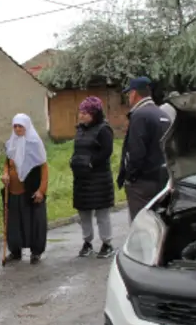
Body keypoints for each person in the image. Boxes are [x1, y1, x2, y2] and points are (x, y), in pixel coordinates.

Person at [117, 77, 171, 221]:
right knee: (158, 222)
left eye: (129, 94)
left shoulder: (139, 116)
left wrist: (130, 177)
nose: (129, 97)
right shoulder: (163, 115)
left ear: (134, 93)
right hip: (161, 179)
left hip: (141, 183)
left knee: (141, 224)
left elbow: (135, 151)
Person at [70, 97, 115, 259]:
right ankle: (87, 242)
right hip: (82, 179)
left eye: (85, 113)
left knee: (102, 213)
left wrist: (91, 163)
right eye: (80, 112)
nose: (81, 116)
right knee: (84, 213)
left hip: (99, 179)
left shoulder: (104, 130)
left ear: (94, 114)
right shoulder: (80, 129)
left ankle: (107, 243)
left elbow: (106, 152)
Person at [1, 114, 49, 264]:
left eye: (20, 126)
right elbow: (7, 164)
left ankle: (36, 252)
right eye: (15, 126)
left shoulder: (35, 144)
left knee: (34, 222)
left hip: (30, 190)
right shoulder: (11, 143)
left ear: (27, 126)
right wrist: (5, 175)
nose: (17, 129)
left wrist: (41, 190)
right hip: (13, 191)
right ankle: (15, 251)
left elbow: (44, 168)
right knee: (14, 223)